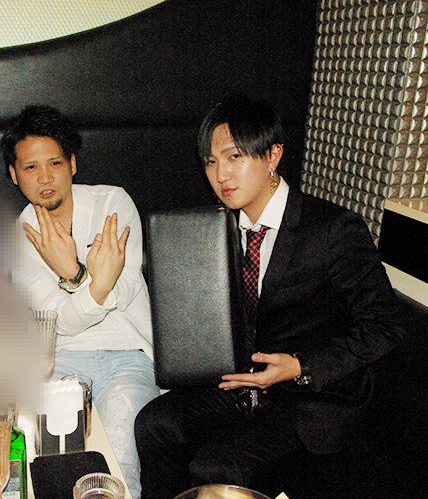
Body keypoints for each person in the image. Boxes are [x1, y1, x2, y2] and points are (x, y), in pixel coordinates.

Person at [135, 94, 406, 499]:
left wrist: (300, 365)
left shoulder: (332, 230)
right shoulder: (214, 230)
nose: (221, 175)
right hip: (242, 387)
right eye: (211, 161)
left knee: (217, 468)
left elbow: (387, 324)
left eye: (234, 157)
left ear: (273, 156)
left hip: (310, 400)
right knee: (154, 424)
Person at [2, 105, 159, 498]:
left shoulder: (112, 204)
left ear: (72, 164)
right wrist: (93, 280)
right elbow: (59, 321)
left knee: (120, 459)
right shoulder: (21, 235)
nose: (45, 177)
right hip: (62, 357)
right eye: (31, 167)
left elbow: (124, 289)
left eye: (55, 163)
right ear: (14, 175)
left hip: (127, 353)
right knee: (54, 462)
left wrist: (70, 271)